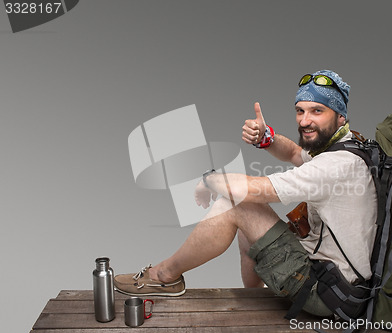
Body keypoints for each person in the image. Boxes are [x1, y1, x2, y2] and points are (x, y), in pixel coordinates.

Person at [114, 69, 377, 316]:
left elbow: (251, 190)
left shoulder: (335, 165)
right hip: (338, 281)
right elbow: (297, 153)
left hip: (330, 294)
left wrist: (209, 179)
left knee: (237, 204)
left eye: (317, 111)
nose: (305, 121)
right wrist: (267, 137)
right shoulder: (348, 143)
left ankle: (163, 277)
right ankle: (253, 300)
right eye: (300, 110)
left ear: (340, 116)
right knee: (247, 226)